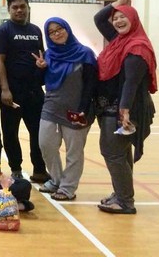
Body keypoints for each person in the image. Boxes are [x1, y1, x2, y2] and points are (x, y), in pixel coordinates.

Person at [94, 0, 157, 214]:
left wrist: (124, 113)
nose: (118, 20)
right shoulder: (119, 40)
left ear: (134, 20)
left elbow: (131, 83)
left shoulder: (136, 47)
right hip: (111, 105)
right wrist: (118, 3)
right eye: (116, 17)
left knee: (112, 152)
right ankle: (121, 193)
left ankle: (125, 201)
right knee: (120, 153)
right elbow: (99, 19)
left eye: (124, 16)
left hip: (123, 108)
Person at [35, 17, 98, 201]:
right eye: (51, 32)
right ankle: (56, 180)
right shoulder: (48, 55)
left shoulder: (85, 53)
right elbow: (40, 81)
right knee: (45, 144)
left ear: (67, 29)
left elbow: (90, 84)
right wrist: (40, 68)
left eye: (59, 29)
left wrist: (83, 109)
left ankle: (67, 188)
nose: (56, 34)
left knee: (74, 151)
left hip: (77, 110)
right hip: (51, 106)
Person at [0, 0, 49, 183]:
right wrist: (5, 89)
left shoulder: (36, 30)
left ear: (28, 8)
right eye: (15, 7)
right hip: (12, 92)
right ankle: (16, 169)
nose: (19, 10)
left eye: (22, 6)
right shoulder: (3, 31)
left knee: (38, 132)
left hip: (34, 92)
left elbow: (41, 57)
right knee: (10, 133)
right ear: (9, 10)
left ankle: (40, 169)